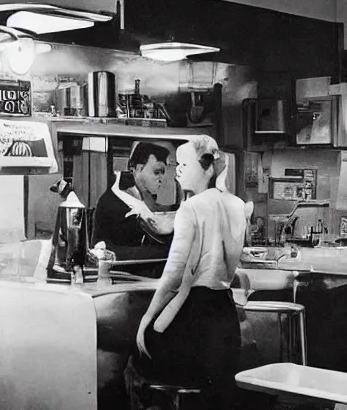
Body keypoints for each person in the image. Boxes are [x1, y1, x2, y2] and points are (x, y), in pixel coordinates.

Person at [135, 135, 248, 409]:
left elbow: (174, 275)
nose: (179, 170)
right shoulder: (237, 205)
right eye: (178, 164)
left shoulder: (191, 207)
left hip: (194, 322)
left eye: (185, 163)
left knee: (138, 352)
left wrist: (146, 319)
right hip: (225, 318)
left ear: (207, 167)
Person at [92, 142, 178, 277]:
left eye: (162, 173)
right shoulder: (115, 201)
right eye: (156, 172)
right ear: (137, 169)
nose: (161, 179)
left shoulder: (143, 195)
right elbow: (103, 248)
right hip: (122, 276)